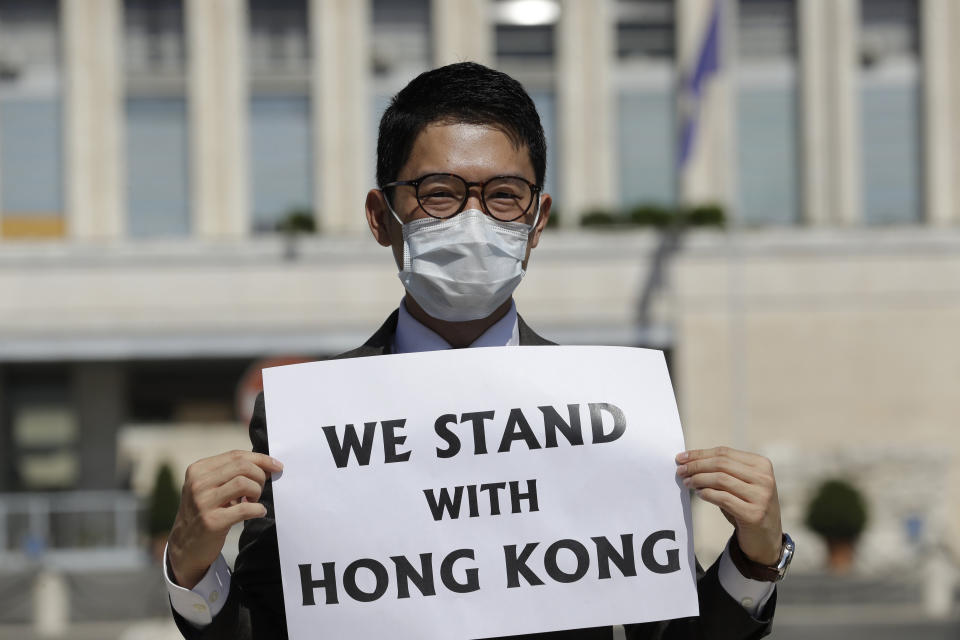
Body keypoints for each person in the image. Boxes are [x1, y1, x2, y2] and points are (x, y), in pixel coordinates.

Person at [164, 62, 790, 639]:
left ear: (537, 220)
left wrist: (753, 562)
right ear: (382, 216)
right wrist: (194, 572)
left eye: (503, 196)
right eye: (439, 193)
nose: (473, 219)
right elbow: (271, 626)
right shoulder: (306, 422)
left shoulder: (607, 412)